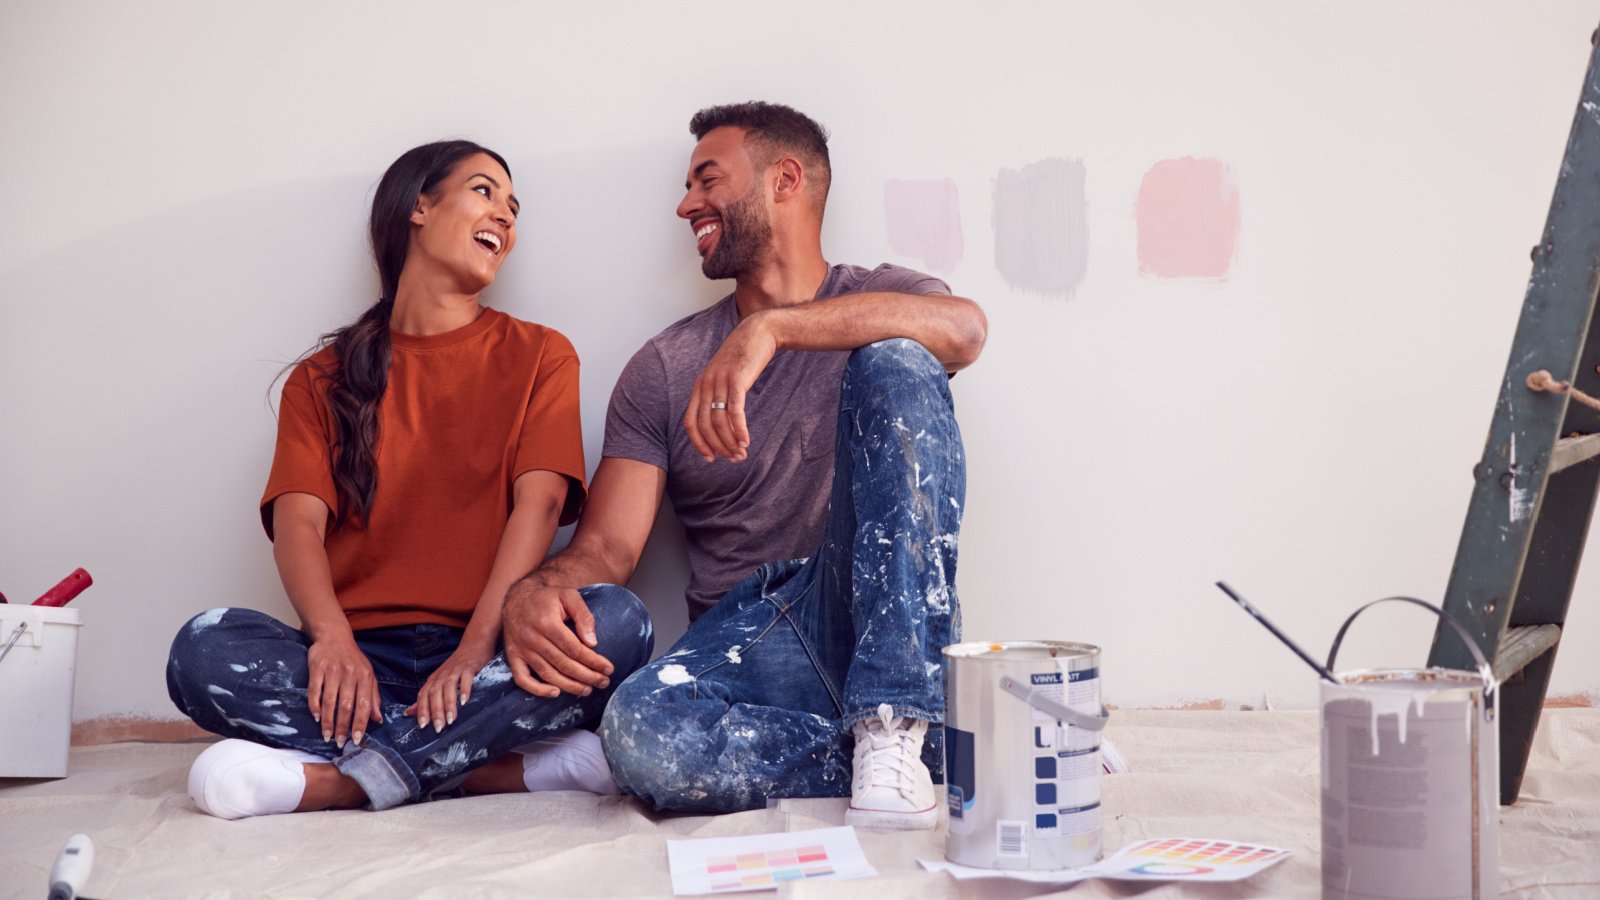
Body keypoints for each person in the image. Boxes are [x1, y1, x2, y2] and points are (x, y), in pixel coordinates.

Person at [500, 102, 986, 830]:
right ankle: (930, 753)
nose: (685, 203)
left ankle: (892, 723)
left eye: (707, 179)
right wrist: (531, 591)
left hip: (869, 610)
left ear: (785, 179)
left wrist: (772, 329)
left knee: (898, 359)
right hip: (749, 640)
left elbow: (965, 330)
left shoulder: (886, 296)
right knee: (638, 737)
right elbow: (608, 547)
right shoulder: (665, 367)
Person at [165, 141, 652, 819]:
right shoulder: (322, 377)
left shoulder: (542, 354)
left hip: (491, 657)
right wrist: (332, 641)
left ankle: (341, 780)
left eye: (514, 208)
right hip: (357, 662)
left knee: (620, 624)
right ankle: (487, 767)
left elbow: (538, 507)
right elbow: (296, 523)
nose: (505, 218)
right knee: (203, 648)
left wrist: (475, 650)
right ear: (419, 207)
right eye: (485, 192)